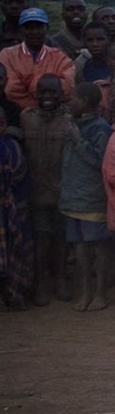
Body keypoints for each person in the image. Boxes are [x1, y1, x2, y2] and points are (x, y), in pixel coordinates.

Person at [19, 73, 76, 304]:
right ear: (36, 94)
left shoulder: (70, 119)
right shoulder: (26, 117)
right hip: (35, 191)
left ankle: (61, 280)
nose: (48, 96)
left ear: (62, 94)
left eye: (53, 92)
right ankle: (42, 283)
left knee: (61, 240)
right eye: (43, 92)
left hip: (62, 190)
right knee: (41, 240)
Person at [59, 81, 113, 311]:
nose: (70, 102)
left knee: (98, 248)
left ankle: (100, 293)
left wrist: (77, 139)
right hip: (72, 196)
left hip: (92, 197)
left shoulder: (100, 128)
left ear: (86, 103)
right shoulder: (72, 124)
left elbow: (100, 162)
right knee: (79, 247)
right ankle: (86, 292)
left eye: (74, 98)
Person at [2, 8, 75, 111]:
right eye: (29, 28)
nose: (35, 32)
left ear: (47, 29)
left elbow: (67, 88)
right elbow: (11, 90)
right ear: (20, 30)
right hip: (17, 114)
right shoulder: (7, 55)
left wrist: (30, 82)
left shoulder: (60, 56)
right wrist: (48, 85)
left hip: (55, 114)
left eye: (39, 27)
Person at [0, 100, 31, 306]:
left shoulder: (12, 147)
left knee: (15, 251)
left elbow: (21, 179)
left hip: (10, 209)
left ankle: (13, 293)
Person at [73, 22, 114, 86]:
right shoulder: (80, 67)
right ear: (84, 42)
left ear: (109, 39)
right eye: (90, 40)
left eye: (100, 39)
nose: (95, 44)